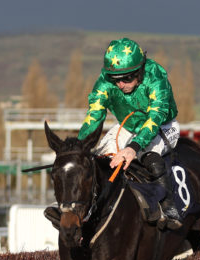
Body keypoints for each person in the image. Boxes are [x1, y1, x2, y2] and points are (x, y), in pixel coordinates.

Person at [78, 37, 182, 230]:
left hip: (163, 126)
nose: (120, 84)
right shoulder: (105, 82)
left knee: (148, 156)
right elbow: (94, 115)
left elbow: (156, 116)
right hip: (128, 126)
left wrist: (133, 147)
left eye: (127, 78)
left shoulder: (155, 76)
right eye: (115, 79)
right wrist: (78, 148)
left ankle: (169, 209)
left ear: (140, 70)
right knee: (96, 159)